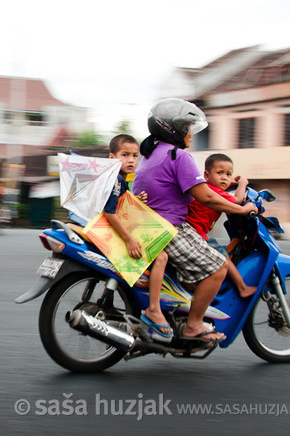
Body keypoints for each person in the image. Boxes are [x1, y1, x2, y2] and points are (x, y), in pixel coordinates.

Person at [132, 98, 258, 343]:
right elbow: (207, 196)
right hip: (167, 228)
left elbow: (198, 185)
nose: (191, 133)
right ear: (175, 129)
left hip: (147, 225)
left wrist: (229, 184)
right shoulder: (178, 156)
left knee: (205, 255)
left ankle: (181, 307)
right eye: (188, 127)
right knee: (219, 265)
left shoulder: (152, 155)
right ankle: (193, 325)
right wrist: (241, 210)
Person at [102, 134, 172, 339]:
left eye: (135, 155)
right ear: (112, 157)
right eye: (125, 155)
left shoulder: (119, 180)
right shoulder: (116, 179)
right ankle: (153, 309)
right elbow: (110, 213)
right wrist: (129, 239)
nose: (131, 160)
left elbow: (118, 205)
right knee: (161, 256)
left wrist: (133, 200)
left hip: (115, 231)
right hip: (115, 234)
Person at [186, 153, 256, 298]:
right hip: (197, 235)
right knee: (222, 256)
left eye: (228, 174)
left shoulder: (209, 189)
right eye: (220, 173)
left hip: (195, 233)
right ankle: (242, 287)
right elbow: (237, 200)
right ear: (206, 175)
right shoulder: (214, 191)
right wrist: (243, 183)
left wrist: (232, 183)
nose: (224, 177)